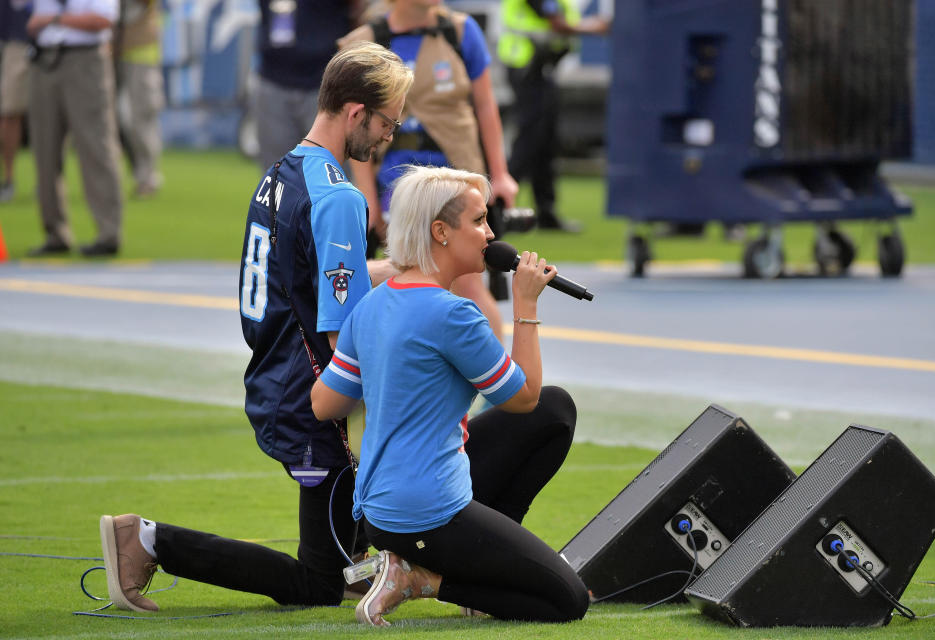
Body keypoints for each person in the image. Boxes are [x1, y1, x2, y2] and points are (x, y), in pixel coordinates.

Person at [97, 42, 414, 613]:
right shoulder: (341, 197)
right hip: (312, 392)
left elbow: (302, 276)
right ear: (354, 112)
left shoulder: (284, 170)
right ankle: (145, 541)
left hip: (275, 372)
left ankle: (372, 560)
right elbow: (345, 335)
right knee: (323, 585)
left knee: (349, 561)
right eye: (388, 121)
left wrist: (396, 269)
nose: (391, 135)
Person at [311, 165, 589, 626]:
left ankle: (473, 562)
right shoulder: (453, 315)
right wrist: (525, 305)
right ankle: (425, 580)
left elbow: (324, 405)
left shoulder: (374, 303)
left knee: (555, 412)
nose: (491, 232)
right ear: (440, 231)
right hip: (425, 513)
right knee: (567, 600)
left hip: (379, 513)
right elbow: (521, 398)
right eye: (479, 220)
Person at [339, 0, 517, 341]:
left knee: (467, 283)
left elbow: (485, 106)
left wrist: (500, 173)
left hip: (458, 179)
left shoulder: (461, 31)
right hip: (397, 183)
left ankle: (496, 379)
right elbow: (357, 128)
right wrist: (367, 196)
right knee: (406, 277)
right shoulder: (367, 40)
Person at [498, 0, 609, 231]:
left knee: (545, 140)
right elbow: (557, 24)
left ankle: (546, 212)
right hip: (526, 66)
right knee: (529, 140)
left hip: (541, 67)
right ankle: (499, 206)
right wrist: (596, 27)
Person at [26, 0, 126, 257]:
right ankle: (55, 233)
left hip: (85, 58)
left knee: (96, 146)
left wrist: (54, 20)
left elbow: (103, 19)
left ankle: (108, 233)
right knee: (44, 149)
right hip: (44, 58)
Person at [254, 0, 365, 172]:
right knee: (276, 176)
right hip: (273, 77)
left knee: (329, 173)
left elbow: (358, 12)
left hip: (327, 83)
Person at [116, 0, 164, 197]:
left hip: (143, 56)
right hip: (119, 54)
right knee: (123, 120)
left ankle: (148, 177)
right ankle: (139, 174)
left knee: (141, 121)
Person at [0, 0, 32, 203]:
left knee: (54, 115)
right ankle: (9, 179)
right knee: (10, 113)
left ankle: (50, 182)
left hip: (55, 43)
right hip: (15, 44)